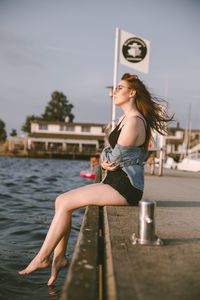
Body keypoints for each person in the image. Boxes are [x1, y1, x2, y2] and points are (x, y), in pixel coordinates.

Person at [18, 73, 173, 286]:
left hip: (125, 186)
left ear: (132, 93)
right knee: (61, 202)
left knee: (64, 202)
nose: (115, 91)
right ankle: (59, 257)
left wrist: (107, 157)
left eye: (120, 88)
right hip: (114, 181)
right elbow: (107, 154)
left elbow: (114, 157)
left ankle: (42, 258)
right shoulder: (123, 120)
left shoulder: (135, 122)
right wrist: (106, 158)